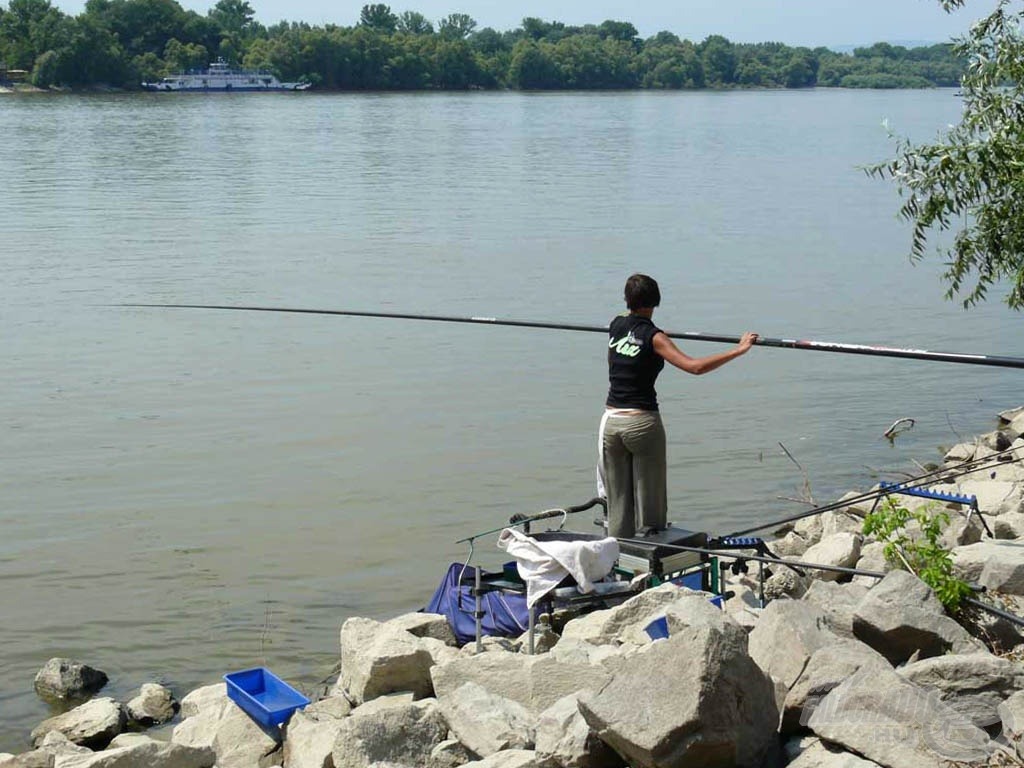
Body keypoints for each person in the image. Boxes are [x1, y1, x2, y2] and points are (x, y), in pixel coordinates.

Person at [598, 274, 758, 539]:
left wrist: (658, 336)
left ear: (626, 299)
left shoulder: (616, 326)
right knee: (651, 495)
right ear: (656, 300)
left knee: (618, 499)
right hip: (641, 423)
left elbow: (632, 337)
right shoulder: (655, 338)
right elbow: (694, 367)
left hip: (611, 423)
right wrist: (739, 350)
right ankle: (651, 561)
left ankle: (617, 554)